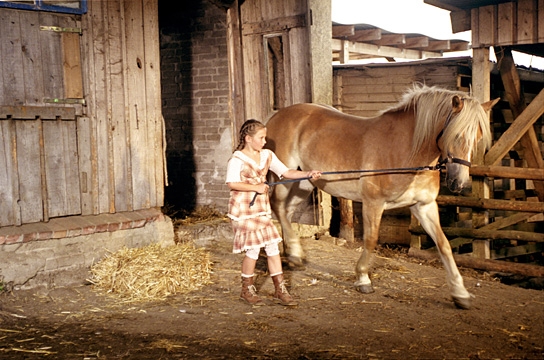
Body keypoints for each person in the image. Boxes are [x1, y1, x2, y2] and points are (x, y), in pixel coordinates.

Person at [226, 119, 321, 306]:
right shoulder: (237, 159)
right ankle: (246, 290)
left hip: (261, 208)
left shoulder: (267, 155)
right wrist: (255, 187)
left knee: (272, 247)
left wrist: (308, 173)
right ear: (248, 138)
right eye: (261, 138)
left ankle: (280, 289)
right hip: (244, 208)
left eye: (264, 137)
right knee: (253, 249)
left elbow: (286, 172)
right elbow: (232, 183)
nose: (264, 141)